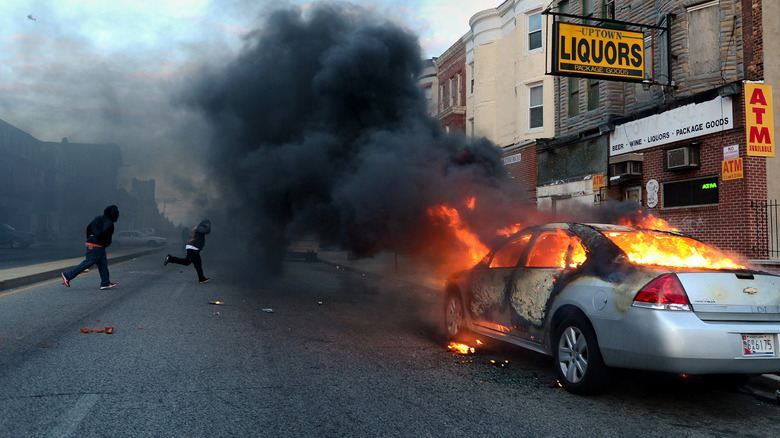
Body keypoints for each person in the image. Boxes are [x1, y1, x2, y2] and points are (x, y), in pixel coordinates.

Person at [61, 205, 119, 290]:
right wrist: (104, 243)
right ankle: (67, 275)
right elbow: (105, 234)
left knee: (102, 263)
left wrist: (90, 239)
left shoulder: (98, 218)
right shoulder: (109, 222)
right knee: (88, 262)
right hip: (97, 245)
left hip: (93, 243)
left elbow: (88, 228)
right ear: (114, 214)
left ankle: (105, 283)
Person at [164, 219, 211, 283]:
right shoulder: (199, 227)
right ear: (205, 224)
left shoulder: (195, 228)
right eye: (207, 224)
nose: (207, 225)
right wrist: (209, 226)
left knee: (187, 262)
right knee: (198, 264)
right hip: (193, 248)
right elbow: (207, 231)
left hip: (191, 247)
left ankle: (170, 258)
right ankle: (201, 279)